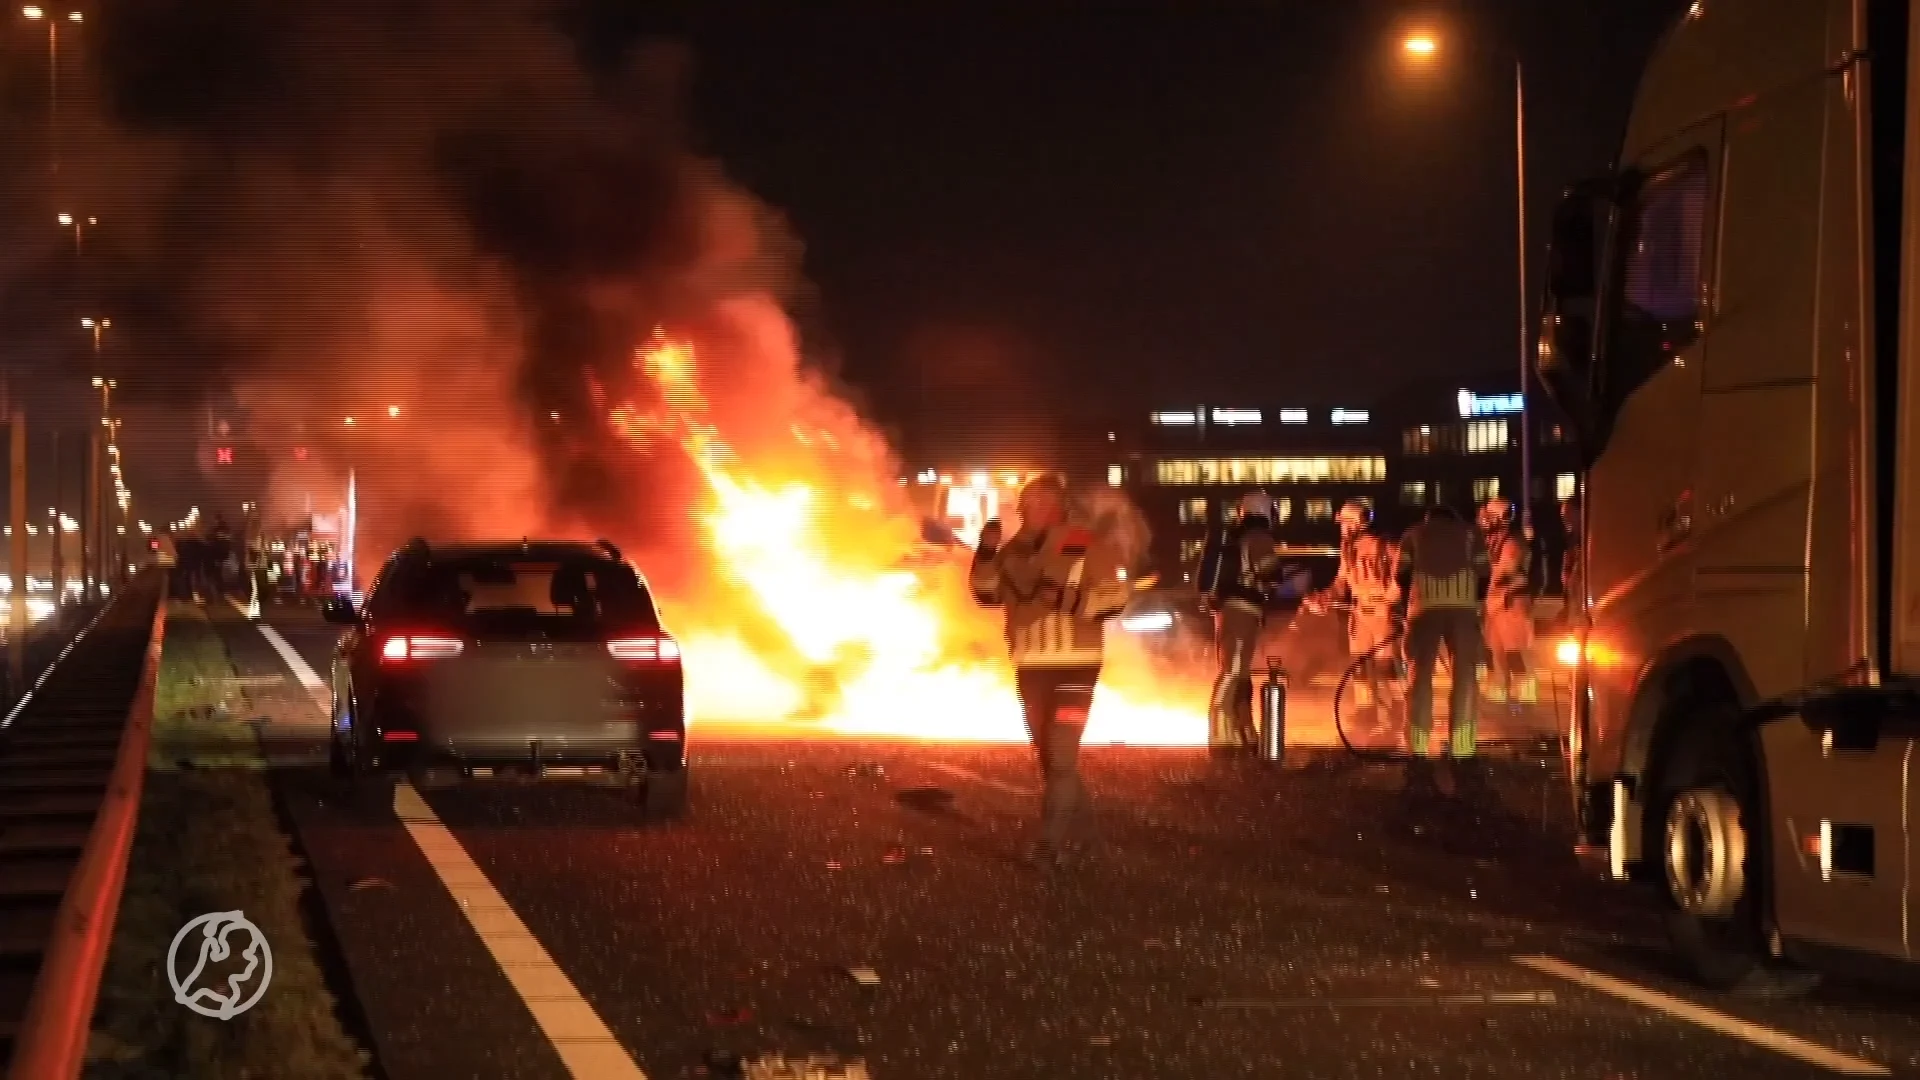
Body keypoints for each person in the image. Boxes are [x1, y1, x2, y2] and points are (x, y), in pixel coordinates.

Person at [970, 474, 1130, 866]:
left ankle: (1049, 844)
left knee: (1060, 754)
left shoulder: (1087, 545)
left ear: (1055, 505)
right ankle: (1089, 842)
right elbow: (986, 592)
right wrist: (986, 551)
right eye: (1024, 504)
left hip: (1076, 666)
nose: (1025, 510)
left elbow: (1116, 596)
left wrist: (1062, 598)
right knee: (1051, 759)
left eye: (1034, 503)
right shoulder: (1013, 550)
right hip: (1031, 666)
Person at [1394, 504, 1490, 793]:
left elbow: (1402, 574)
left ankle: (1418, 749)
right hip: (1463, 610)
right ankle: (1462, 749)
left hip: (1423, 609)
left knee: (1420, 680)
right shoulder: (1473, 533)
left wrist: (1410, 603)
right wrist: (1475, 604)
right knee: (1465, 680)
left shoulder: (1413, 534)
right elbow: (1485, 573)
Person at [1304, 500, 1400, 738]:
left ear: (1357, 523)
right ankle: (1366, 715)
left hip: (1382, 616)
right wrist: (1324, 598)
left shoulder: (1386, 546)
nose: (1342, 528)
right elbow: (1341, 583)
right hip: (1359, 615)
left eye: (1346, 523)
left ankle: (1396, 718)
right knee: (1360, 669)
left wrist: (1387, 604)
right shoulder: (1348, 550)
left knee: (1387, 669)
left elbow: (1403, 577)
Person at [1197, 491, 1281, 755]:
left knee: (1240, 674)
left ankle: (1243, 733)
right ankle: (1221, 735)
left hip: (1230, 611)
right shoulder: (1258, 537)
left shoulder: (1237, 538)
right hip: (1242, 612)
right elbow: (1270, 574)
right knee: (1233, 671)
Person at [1478, 498, 1536, 705]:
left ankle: (1524, 688)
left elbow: (1506, 570)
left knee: (1513, 648)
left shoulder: (1512, 541)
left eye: (1488, 516)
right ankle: (1500, 687)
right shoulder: (1495, 539)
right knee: (1494, 648)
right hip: (1496, 601)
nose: (1484, 520)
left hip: (1511, 601)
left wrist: (1483, 576)